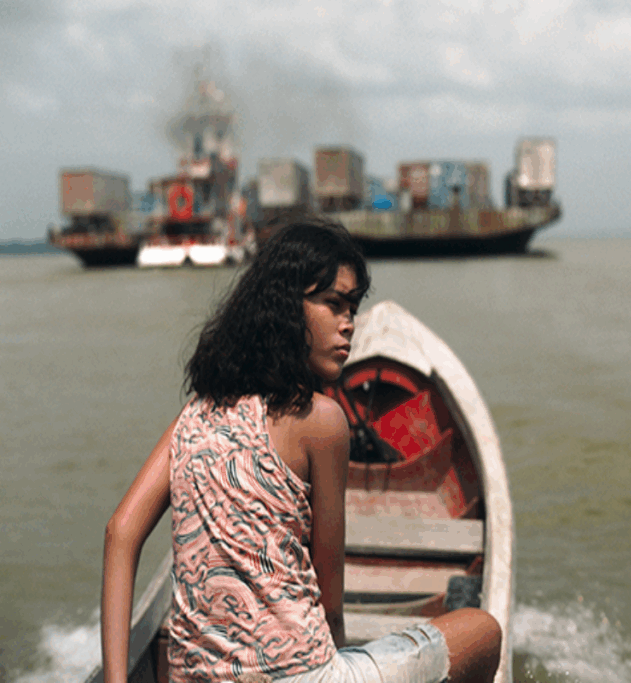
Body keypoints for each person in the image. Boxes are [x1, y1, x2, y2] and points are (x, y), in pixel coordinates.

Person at [101, 216, 501, 683]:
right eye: (334, 305)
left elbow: (120, 533)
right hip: (302, 674)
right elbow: (330, 607)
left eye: (352, 308)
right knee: (481, 631)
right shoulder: (322, 420)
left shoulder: (192, 416)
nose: (349, 325)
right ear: (287, 308)